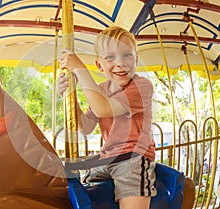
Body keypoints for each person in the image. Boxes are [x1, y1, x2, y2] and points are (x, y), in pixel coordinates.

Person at [58, 26, 156, 209]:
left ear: (136, 59)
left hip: (133, 158)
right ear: (99, 65)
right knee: (77, 189)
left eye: (127, 55)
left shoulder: (141, 86)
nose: (120, 63)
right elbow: (85, 127)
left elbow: (103, 108)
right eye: (110, 57)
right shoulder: (101, 90)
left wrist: (80, 69)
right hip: (106, 159)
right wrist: (70, 96)